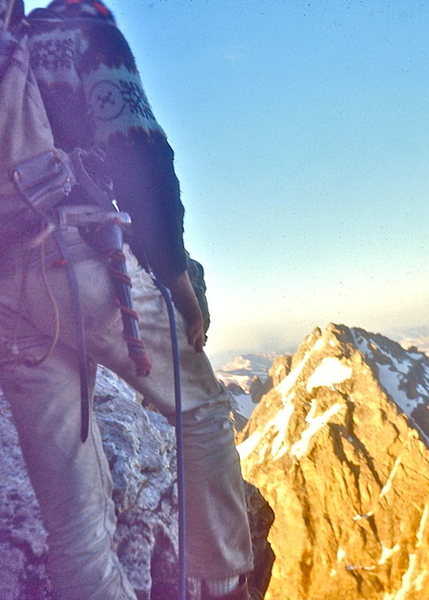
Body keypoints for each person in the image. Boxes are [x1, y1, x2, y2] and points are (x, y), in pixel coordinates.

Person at [0, 1, 253, 598]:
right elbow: (139, 151)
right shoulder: (82, 28)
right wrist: (177, 278)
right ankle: (220, 584)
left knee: (74, 523)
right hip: (81, 259)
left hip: (5, 292)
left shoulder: (15, 41)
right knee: (199, 407)